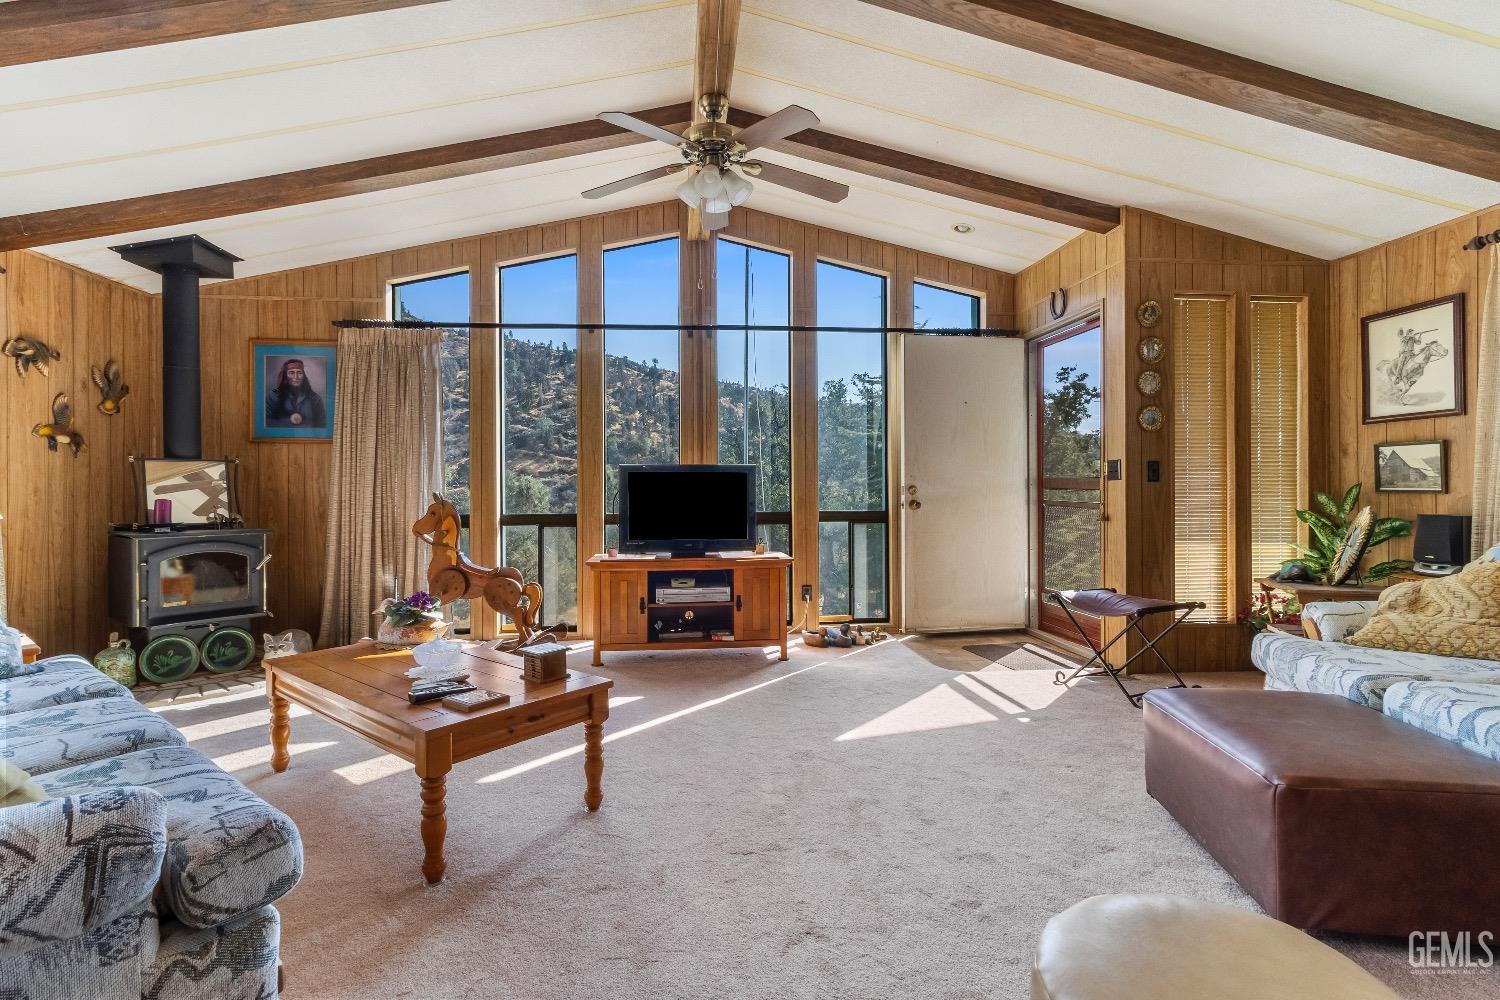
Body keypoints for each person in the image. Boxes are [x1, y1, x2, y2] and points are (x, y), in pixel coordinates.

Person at [264, 358, 326, 428]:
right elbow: (266, 423)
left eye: (299, 373)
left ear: (304, 376)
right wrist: (289, 422)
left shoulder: (315, 399)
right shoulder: (273, 397)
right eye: (291, 373)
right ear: (285, 376)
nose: (296, 377)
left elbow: (321, 424)